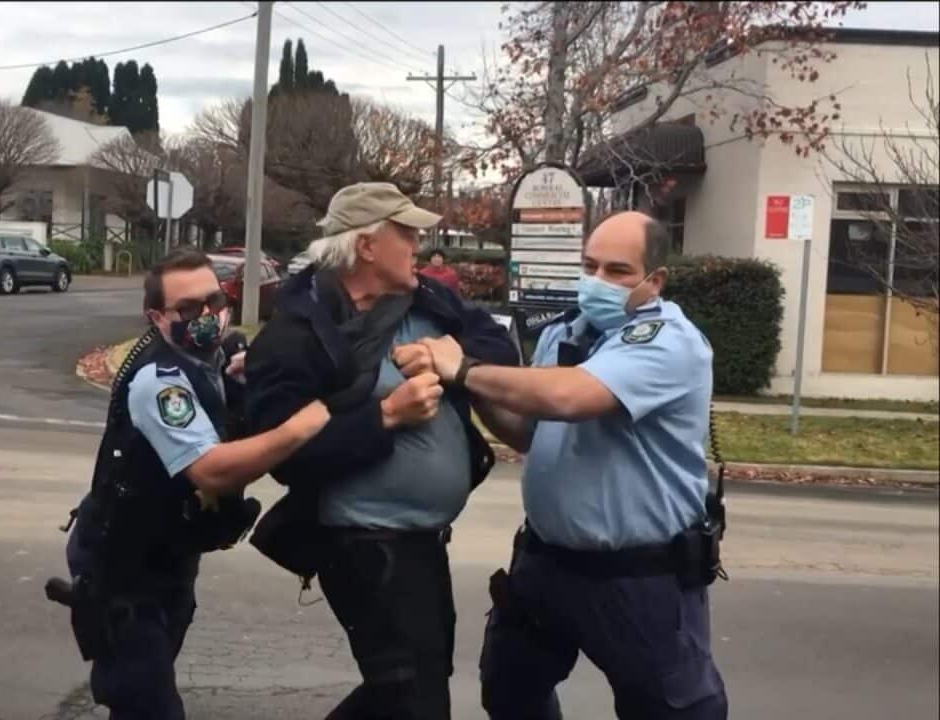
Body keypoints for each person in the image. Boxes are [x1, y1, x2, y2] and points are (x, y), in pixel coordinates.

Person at [411, 211, 728, 720]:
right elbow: (531, 432)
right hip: (547, 564)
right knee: (511, 694)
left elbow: (571, 397)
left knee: (669, 710)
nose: (598, 281)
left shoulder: (669, 342)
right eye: (590, 265)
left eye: (618, 271)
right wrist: (466, 387)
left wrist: (465, 367)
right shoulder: (567, 333)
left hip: (636, 576)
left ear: (656, 280)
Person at [245, 182, 522, 720]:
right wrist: (385, 416)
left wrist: (452, 355)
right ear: (367, 246)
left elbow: (500, 348)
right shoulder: (298, 332)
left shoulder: (429, 301)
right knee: (412, 699)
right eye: (407, 232)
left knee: (408, 691)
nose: (419, 243)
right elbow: (285, 456)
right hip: (365, 545)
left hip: (423, 542)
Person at [59, 248, 332, 720]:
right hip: (122, 572)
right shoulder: (158, 380)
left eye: (213, 300)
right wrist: (301, 428)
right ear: (157, 317)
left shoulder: (216, 359)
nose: (207, 316)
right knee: (149, 706)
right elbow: (210, 469)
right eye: (187, 309)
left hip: (170, 559)